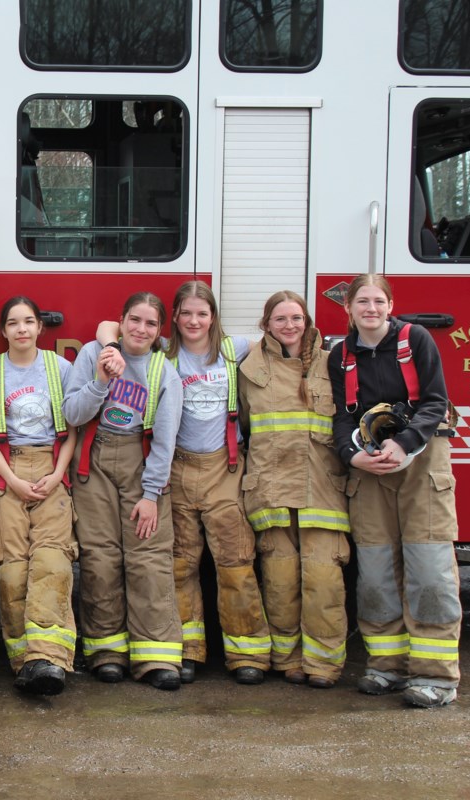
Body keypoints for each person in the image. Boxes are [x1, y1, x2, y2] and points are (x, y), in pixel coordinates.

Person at [327, 274, 461, 709]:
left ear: (390, 305)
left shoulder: (415, 339)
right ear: (348, 307)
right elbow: (344, 417)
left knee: (429, 568)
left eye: (377, 301)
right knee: (377, 569)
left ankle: (436, 678)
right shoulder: (340, 356)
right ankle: (386, 666)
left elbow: (436, 401)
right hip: (369, 468)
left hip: (421, 461)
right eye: (361, 301)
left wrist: (402, 443)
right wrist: (353, 456)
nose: (370, 308)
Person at [65, 292, 184, 691]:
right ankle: (106, 651)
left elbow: (166, 439)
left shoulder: (163, 371)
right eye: (135, 320)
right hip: (94, 456)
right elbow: (72, 414)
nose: (141, 329)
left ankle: (157, 655)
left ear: (159, 331)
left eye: (151, 324)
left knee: (148, 555)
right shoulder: (92, 354)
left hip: (141, 457)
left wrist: (151, 495)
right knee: (100, 556)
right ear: (121, 320)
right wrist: (101, 380)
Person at [155, 281, 271, 685]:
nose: (193, 321)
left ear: (213, 317)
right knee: (181, 563)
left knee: (235, 561)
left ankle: (248, 653)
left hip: (225, 467)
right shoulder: (163, 354)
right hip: (179, 467)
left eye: (202, 313)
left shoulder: (232, 349)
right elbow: (108, 333)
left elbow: (276, 339)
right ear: (174, 316)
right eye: (185, 313)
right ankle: (187, 650)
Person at [237, 291, 350, 689]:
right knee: (279, 577)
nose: (289, 325)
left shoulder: (332, 363)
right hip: (270, 488)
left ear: (307, 320)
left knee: (323, 579)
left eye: (296, 318)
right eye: (280, 319)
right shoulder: (250, 367)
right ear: (266, 324)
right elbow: (246, 428)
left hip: (322, 487)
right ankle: (287, 660)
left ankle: (323, 664)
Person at [0, 296, 78, 696]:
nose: (22, 330)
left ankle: (47, 659)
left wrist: (58, 474)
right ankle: (22, 662)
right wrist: (11, 479)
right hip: (7, 472)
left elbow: (73, 429)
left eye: (29, 321)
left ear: (39, 328)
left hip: (50, 469)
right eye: (13, 323)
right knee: (13, 570)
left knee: (52, 562)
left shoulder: (60, 368)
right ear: (3, 331)